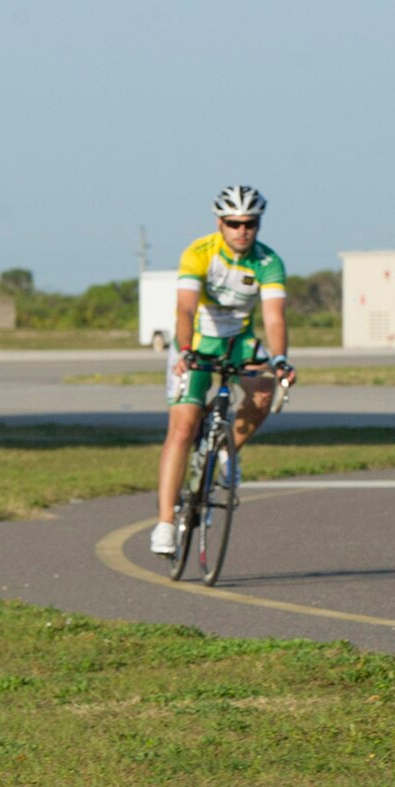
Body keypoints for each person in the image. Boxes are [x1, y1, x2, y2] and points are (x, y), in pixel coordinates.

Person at [149, 185, 297, 556]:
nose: (242, 231)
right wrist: (184, 350)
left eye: (250, 223)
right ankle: (165, 522)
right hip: (198, 340)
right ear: (220, 223)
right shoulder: (200, 253)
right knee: (183, 426)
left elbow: (274, 317)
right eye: (233, 223)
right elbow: (184, 309)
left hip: (239, 341)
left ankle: (226, 449)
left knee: (264, 392)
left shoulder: (268, 261)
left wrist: (279, 359)